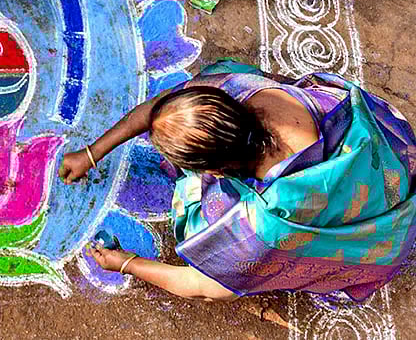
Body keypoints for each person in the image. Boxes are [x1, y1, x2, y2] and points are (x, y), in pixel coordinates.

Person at [59, 60, 416, 301]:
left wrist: (126, 263)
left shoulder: (265, 221)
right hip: (385, 162)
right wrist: (92, 152)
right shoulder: (242, 89)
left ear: (213, 171)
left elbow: (203, 285)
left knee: (202, 225)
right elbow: (162, 109)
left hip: (375, 229)